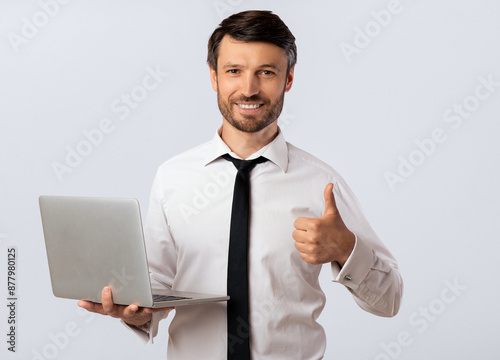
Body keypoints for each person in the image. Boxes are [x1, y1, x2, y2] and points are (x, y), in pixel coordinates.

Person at [78, 10, 403, 359]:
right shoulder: (173, 177)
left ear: (288, 79)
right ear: (214, 77)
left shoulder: (322, 183)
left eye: (266, 72)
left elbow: (390, 300)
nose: (249, 89)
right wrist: (135, 309)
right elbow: (157, 284)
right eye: (234, 71)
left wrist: (347, 249)